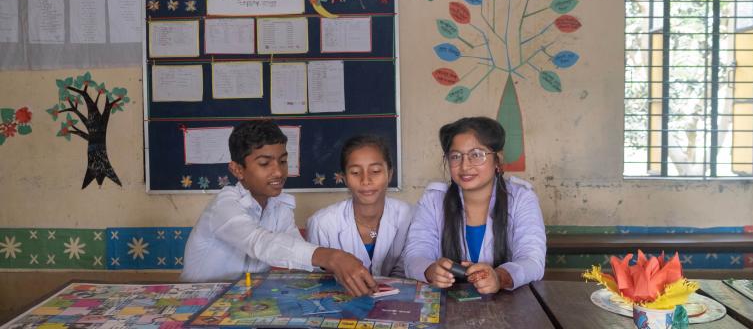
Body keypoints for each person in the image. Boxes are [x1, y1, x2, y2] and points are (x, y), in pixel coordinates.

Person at [181, 120, 378, 296]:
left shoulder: (279, 207)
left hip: (243, 305)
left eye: (283, 161)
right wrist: (333, 257)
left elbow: (293, 250)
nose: (278, 172)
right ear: (237, 169)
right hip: (198, 303)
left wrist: (334, 270)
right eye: (265, 163)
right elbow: (261, 243)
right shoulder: (224, 206)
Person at [403, 116, 546, 294]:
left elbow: (533, 261)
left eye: (477, 155)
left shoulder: (521, 198)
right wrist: (430, 270)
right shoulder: (433, 200)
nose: (465, 165)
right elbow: (415, 255)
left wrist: (499, 277)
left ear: (498, 160)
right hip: (448, 306)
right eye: (455, 156)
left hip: (508, 307)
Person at [307, 135, 412, 277]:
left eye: (375, 171)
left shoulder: (410, 217)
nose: (366, 180)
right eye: (355, 172)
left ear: (390, 174)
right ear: (344, 178)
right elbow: (316, 280)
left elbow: (409, 272)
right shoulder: (322, 224)